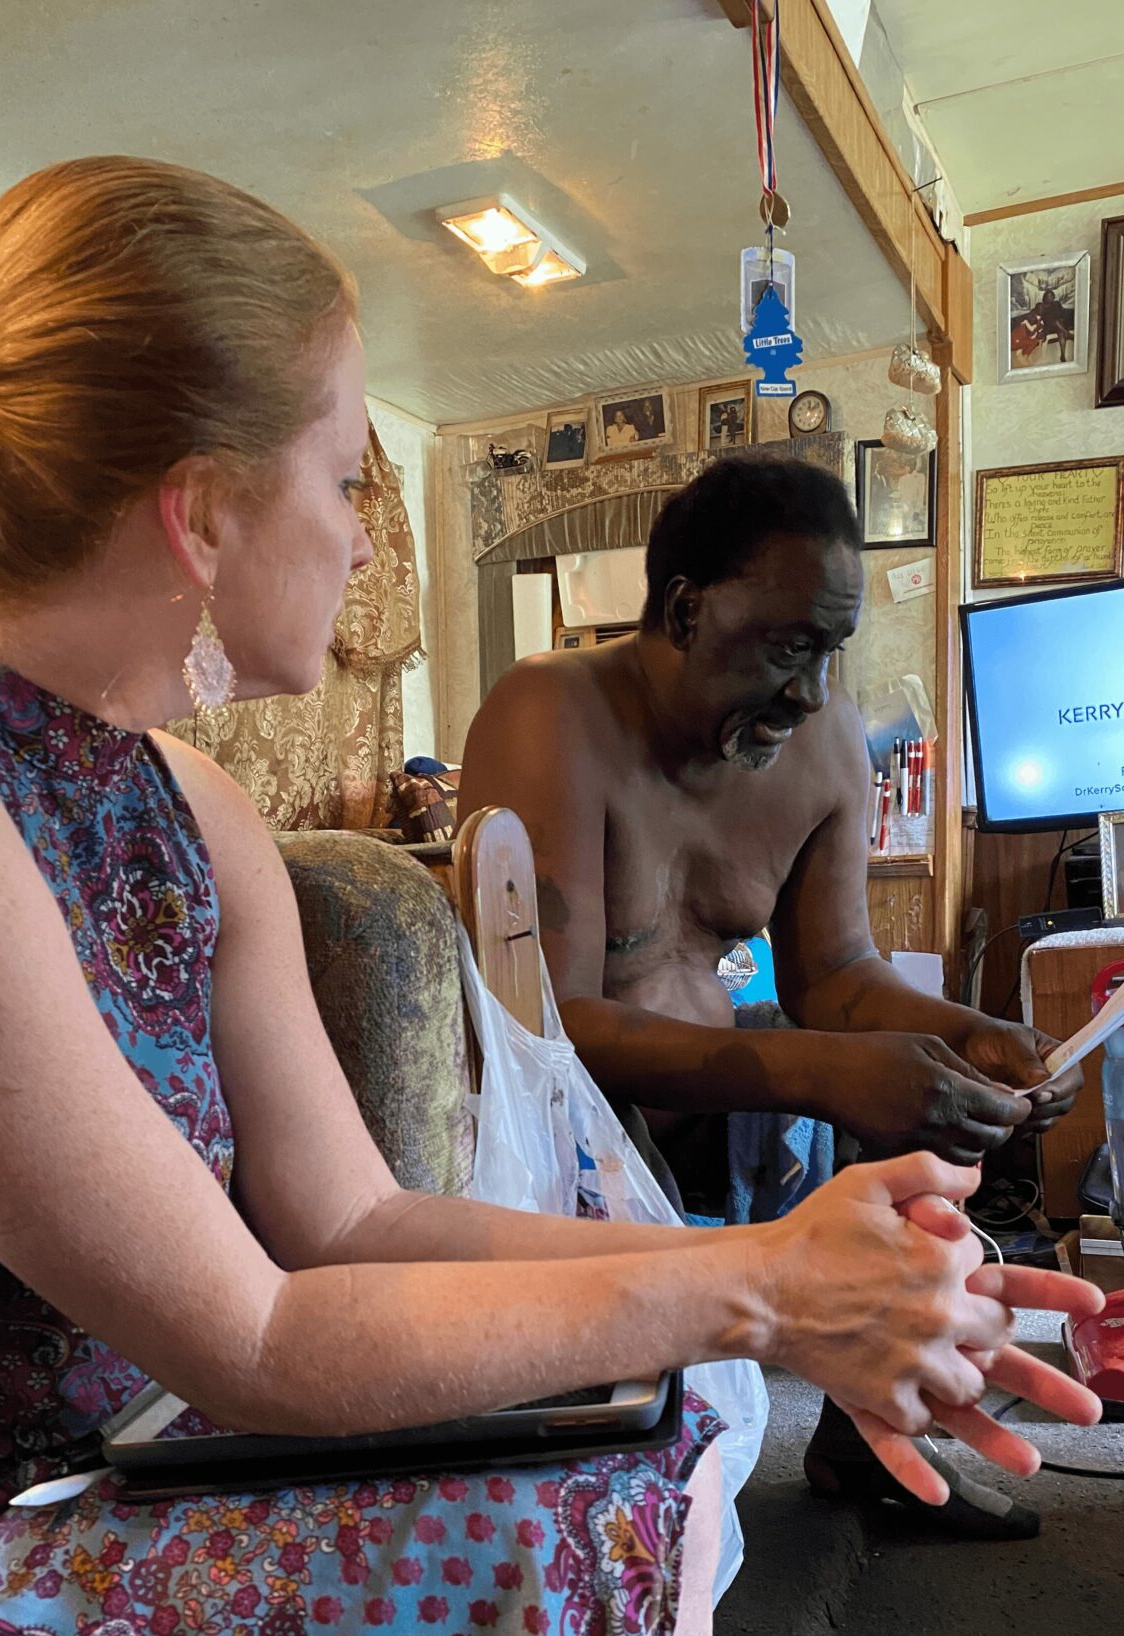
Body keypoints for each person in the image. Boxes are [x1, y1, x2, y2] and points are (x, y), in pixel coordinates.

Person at [0, 162, 1097, 1636]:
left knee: (655, 1437)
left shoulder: (183, 801)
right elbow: (260, 1340)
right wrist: (764, 1289)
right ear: (202, 508)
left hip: (95, 1480)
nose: (369, 541)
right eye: (347, 478)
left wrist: (788, 1274)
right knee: (600, 1499)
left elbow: (352, 1219)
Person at [458, 456, 1086, 1540]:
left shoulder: (823, 741)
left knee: (927, 1115)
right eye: (788, 644)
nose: (808, 690)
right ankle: (635, 1510)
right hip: (569, 1129)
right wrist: (823, 1069)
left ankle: (864, 1440)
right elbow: (541, 1032)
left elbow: (835, 975)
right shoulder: (550, 711)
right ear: (686, 607)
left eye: (830, 651)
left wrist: (975, 1037)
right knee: (826, 1092)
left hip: (719, 1105)